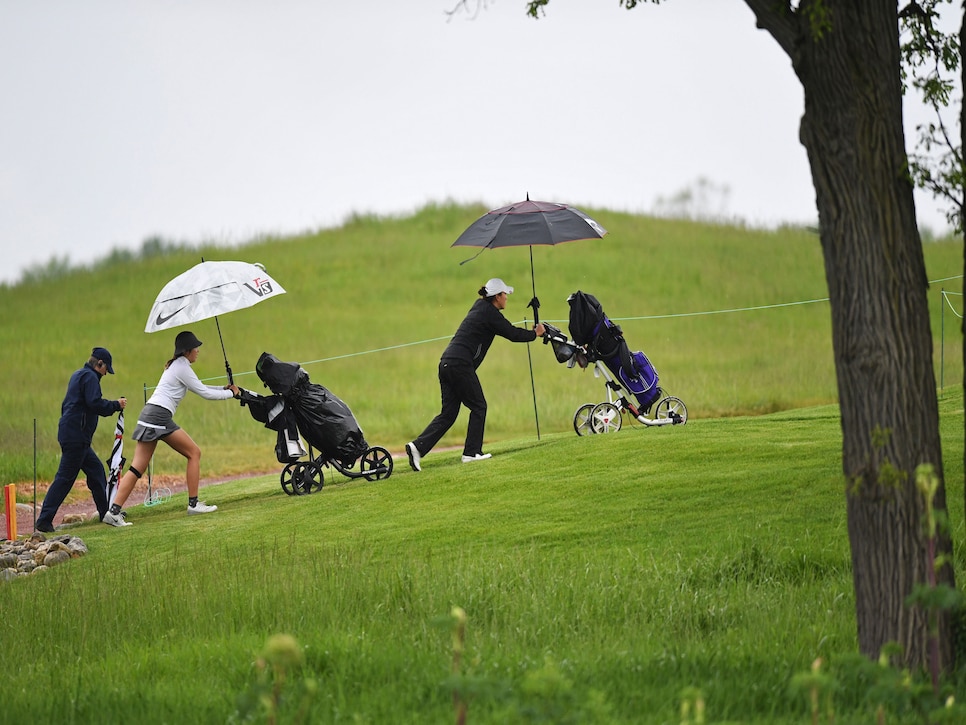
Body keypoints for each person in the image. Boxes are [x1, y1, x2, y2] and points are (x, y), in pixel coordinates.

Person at [406, 278, 544, 471]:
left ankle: (417, 448)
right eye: (505, 295)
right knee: (479, 406)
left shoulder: (480, 306)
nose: (506, 298)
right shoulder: (490, 313)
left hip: (446, 363)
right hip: (460, 365)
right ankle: (471, 453)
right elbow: (512, 334)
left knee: (448, 414)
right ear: (497, 297)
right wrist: (535, 334)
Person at [103, 331, 239, 526]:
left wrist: (223, 389)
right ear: (187, 351)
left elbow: (200, 386)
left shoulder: (177, 365)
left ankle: (113, 512)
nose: (198, 351)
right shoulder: (182, 367)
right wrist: (231, 395)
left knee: (137, 467)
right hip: (159, 416)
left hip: (149, 415)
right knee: (194, 452)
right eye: (196, 347)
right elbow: (204, 393)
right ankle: (193, 505)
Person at [35, 347, 127, 533]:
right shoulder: (91, 378)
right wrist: (116, 405)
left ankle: (105, 513)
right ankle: (44, 521)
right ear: (99, 364)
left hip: (74, 435)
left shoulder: (78, 375)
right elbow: (95, 403)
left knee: (96, 471)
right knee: (65, 478)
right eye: (105, 369)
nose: (106, 373)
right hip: (76, 437)